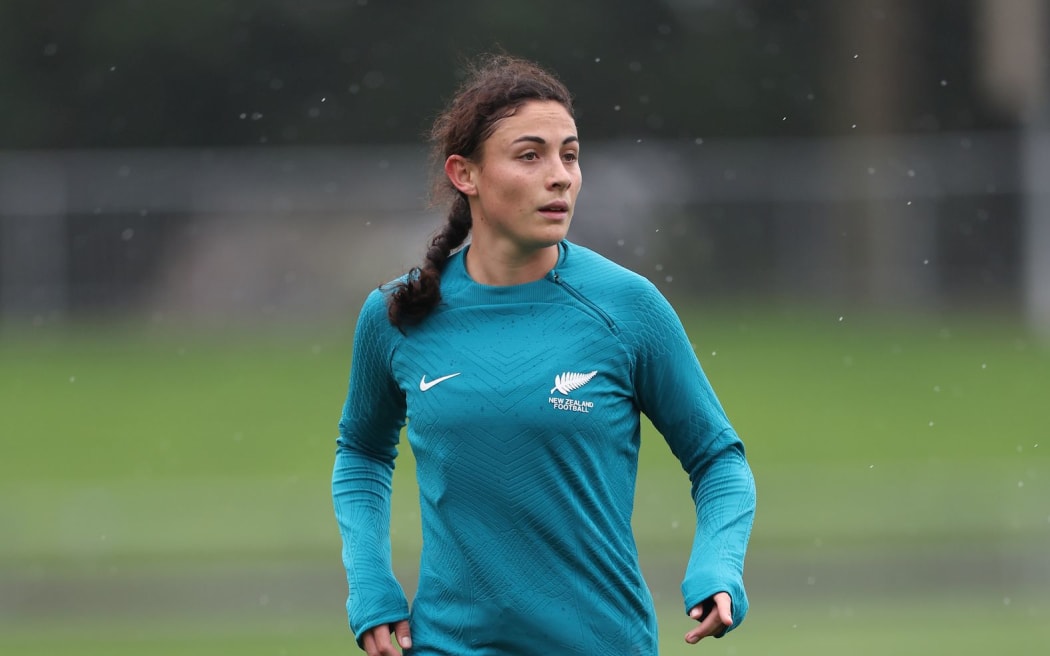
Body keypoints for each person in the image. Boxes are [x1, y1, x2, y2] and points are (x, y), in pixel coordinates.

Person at [332, 53, 756, 655]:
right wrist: (370, 585)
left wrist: (719, 568)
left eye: (570, 154)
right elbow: (362, 455)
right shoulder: (397, 315)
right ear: (466, 174)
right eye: (530, 155)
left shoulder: (628, 308)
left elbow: (718, 461)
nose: (560, 176)